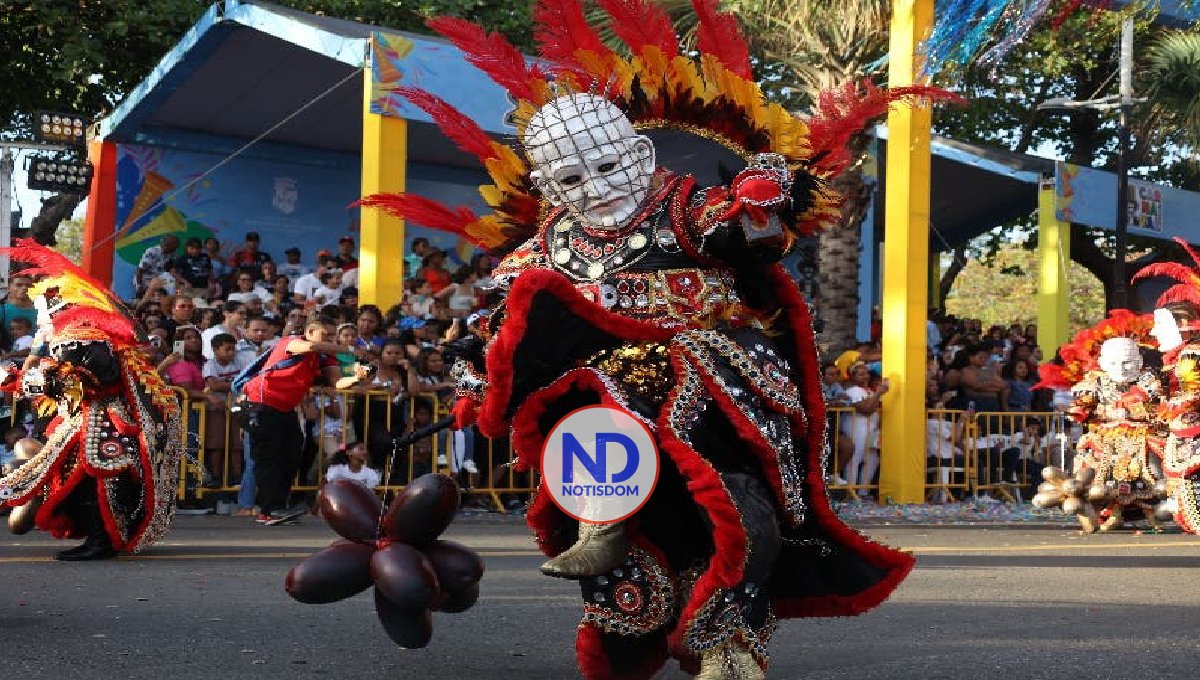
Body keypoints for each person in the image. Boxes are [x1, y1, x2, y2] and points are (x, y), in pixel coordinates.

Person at [363, 10, 917, 674]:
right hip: (599, 398)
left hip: (711, 373)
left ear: (639, 155)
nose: (592, 189)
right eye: (568, 180)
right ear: (546, 187)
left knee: (736, 495)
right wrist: (481, 371)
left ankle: (726, 640)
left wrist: (761, 199)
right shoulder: (548, 247)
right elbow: (508, 326)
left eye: (604, 165)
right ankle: (605, 524)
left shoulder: (685, 209)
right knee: (590, 389)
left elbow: (752, 232)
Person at [0, 241, 183, 560]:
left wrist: (29, 379)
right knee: (82, 475)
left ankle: (102, 542)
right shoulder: (76, 333)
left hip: (102, 419)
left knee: (96, 474)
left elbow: (92, 377)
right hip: (89, 417)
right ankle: (100, 538)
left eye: (43, 304)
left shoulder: (80, 335)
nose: (40, 312)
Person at [239, 318, 368, 523]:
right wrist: (348, 350)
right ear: (309, 331)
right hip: (261, 404)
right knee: (269, 458)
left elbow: (337, 382)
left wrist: (356, 377)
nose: (329, 340)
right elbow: (312, 346)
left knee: (291, 456)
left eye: (331, 336)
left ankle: (279, 507)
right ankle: (270, 509)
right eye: (325, 334)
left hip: (286, 408)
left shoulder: (323, 358)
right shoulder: (291, 341)